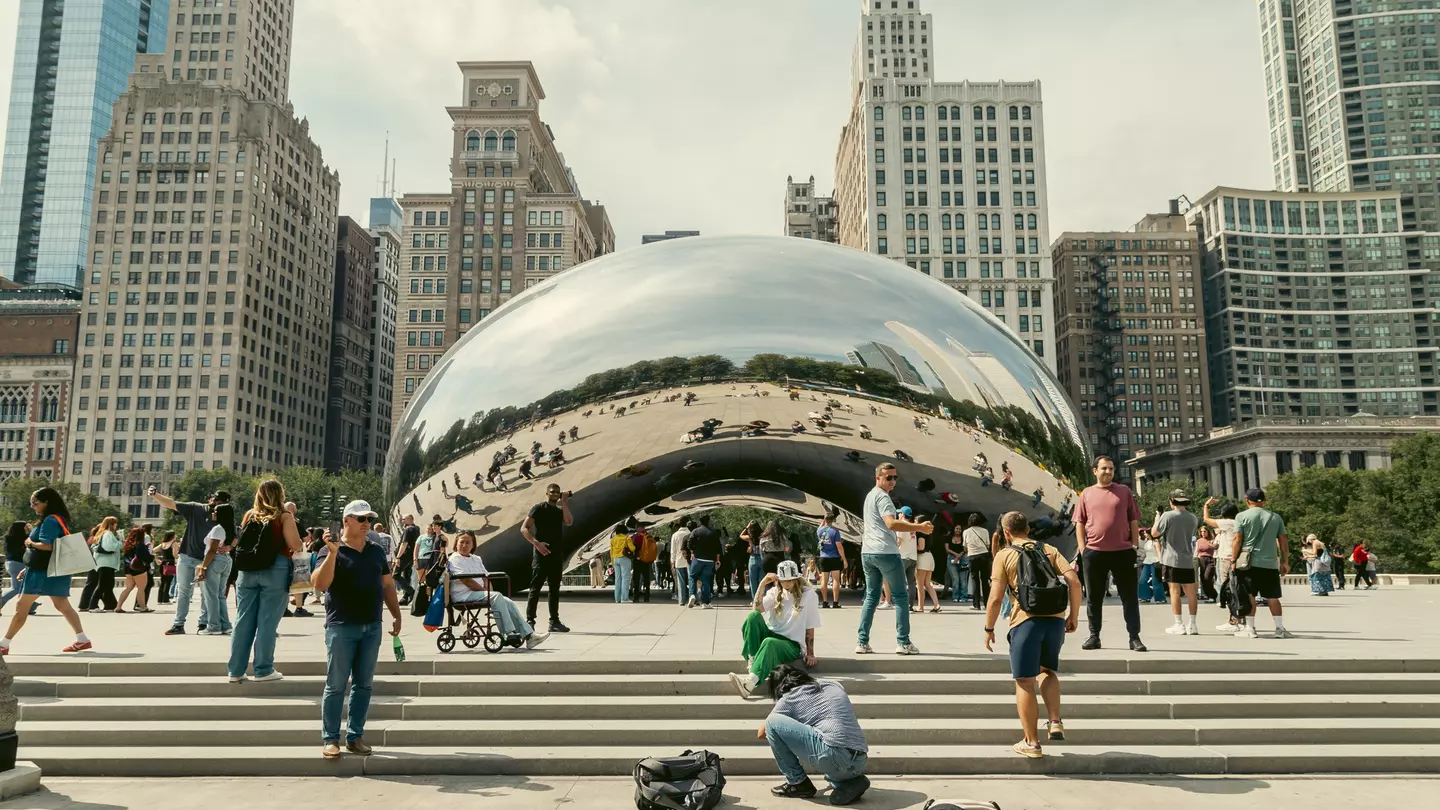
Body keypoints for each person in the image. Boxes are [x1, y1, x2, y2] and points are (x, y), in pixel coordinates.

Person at [984, 511, 1082, 759]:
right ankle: (1055, 720)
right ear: (1028, 529)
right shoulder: (1049, 550)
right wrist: (1073, 615)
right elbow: (1074, 582)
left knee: (1025, 681)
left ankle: (1032, 742)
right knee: (1047, 670)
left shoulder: (1004, 555)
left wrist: (989, 628)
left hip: (1025, 622)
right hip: (1055, 621)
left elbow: (995, 599)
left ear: (1006, 532)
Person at [312, 500, 403, 759]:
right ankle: (331, 739)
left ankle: (355, 736)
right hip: (341, 626)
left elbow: (387, 585)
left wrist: (396, 614)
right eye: (361, 519)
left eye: (368, 519)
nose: (366, 524)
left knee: (363, 685)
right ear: (346, 521)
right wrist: (331, 553)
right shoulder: (331, 549)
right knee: (336, 685)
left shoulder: (375, 550)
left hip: (372, 625)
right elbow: (320, 584)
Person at [227, 479, 304, 683]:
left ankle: (235, 671)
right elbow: (296, 545)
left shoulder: (249, 516)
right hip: (275, 568)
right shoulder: (284, 516)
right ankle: (263, 669)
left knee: (243, 620)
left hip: (247, 570)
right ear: (281, 495)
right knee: (267, 621)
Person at [760, 665, 870, 804]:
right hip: (860, 758)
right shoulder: (833, 684)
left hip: (835, 756)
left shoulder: (789, 698)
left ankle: (797, 783)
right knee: (832, 761)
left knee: (772, 723)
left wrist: (781, 708)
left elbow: (762, 733)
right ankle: (848, 783)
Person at [0, 487, 92, 654]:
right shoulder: (59, 519)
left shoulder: (49, 520)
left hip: (42, 571)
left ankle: (4, 644)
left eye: (35, 503)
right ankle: (82, 639)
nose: (32, 506)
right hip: (55, 569)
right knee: (62, 604)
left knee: (22, 606)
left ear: (46, 502)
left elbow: (48, 545)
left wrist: (30, 542)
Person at [855, 462, 931, 656]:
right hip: (886, 552)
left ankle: (862, 642)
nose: (892, 481)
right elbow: (891, 523)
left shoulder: (870, 496)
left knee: (871, 597)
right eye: (888, 477)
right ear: (878, 478)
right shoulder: (883, 498)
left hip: (868, 552)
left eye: (895, 477)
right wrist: (919, 527)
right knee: (900, 597)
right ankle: (903, 642)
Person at [1073, 456, 1146, 652]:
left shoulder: (1124, 491)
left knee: (1129, 597)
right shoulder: (1086, 494)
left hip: (1123, 552)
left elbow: (1133, 519)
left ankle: (1134, 637)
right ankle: (1094, 636)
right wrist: (1082, 548)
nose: (1108, 472)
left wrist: (1134, 546)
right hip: (1094, 553)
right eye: (1104, 468)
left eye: (1111, 469)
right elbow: (1079, 522)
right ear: (1095, 471)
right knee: (1094, 598)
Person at [730, 561, 822, 699]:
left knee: (769, 642)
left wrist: (810, 653)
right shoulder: (775, 592)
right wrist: (762, 583)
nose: (787, 584)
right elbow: (757, 609)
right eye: (784, 581)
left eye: (790, 580)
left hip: (791, 645)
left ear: (797, 578)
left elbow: (810, 626)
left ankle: (749, 685)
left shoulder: (809, 595)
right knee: (753, 616)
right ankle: (754, 661)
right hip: (772, 636)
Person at [447, 531, 545, 648]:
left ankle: (529, 636)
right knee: (496, 596)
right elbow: (466, 580)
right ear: (456, 544)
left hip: (477, 592)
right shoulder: (454, 558)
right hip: (463, 595)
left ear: (473, 545)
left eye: (468, 542)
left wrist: (490, 591)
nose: (464, 545)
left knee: (506, 600)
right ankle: (508, 633)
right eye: (461, 542)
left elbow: (486, 578)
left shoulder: (476, 559)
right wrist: (487, 593)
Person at [150, 486, 226, 636]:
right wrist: (155, 494)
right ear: (211, 499)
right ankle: (179, 624)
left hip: (206, 558)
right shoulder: (196, 509)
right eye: (214, 500)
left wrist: (229, 546)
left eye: (220, 503)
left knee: (206, 592)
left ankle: (204, 622)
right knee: (183, 590)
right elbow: (171, 503)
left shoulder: (224, 517)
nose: (215, 505)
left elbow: (235, 535)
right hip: (187, 556)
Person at [1231, 488, 1291, 639]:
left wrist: (1233, 560)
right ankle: (1279, 628)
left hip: (1249, 563)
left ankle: (1250, 628)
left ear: (1247, 500)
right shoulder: (1275, 517)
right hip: (1270, 563)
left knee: (1250, 595)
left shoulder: (1241, 516)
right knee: (1272, 596)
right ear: (1264, 501)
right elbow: (1283, 541)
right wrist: (1284, 562)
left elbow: (1237, 539)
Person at [521, 483, 573, 633]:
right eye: (552, 492)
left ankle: (554, 621)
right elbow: (524, 528)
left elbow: (569, 522)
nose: (555, 494)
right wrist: (537, 544)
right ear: (547, 493)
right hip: (540, 553)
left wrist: (564, 502)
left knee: (554, 588)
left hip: (556, 554)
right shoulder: (538, 508)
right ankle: (530, 620)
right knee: (535, 588)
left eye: (557, 492)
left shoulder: (559, 511)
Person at [1151, 490, 1200, 636]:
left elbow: (1154, 533)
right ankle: (1193, 624)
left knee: (1174, 591)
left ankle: (1179, 624)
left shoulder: (1168, 515)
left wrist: (1157, 518)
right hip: (1187, 558)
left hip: (1171, 558)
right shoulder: (1193, 518)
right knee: (1191, 592)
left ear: (1172, 501)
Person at [195, 501, 237, 635]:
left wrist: (203, 567)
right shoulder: (232, 528)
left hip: (215, 561)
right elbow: (236, 540)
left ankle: (214, 625)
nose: (213, 513)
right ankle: (225, 624)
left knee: (211, 595)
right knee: (220, 595)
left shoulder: (218, 529)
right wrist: (230, 547)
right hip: (227, 560)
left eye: (216, 512)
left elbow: (212, 550)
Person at [1202, 498, 1243, 632]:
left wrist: (1207, 505)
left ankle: (1233, 620)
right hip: (1238, 558)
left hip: (1227, 558)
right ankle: (1240, 619)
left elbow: (1207, 520)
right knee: (1238, 588)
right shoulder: (1239, 521)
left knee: (1228, 589)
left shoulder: (1227, 523)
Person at [79, 516, 121, 613]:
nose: (116, 526)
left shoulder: (99, 535)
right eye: (115, 524)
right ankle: (92, 605)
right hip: (106, 563)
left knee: (107, 585)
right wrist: (120, 544)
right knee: (101, 585)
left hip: (100, 562)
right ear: (111, 524)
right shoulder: (108, 534)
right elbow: (109, 547)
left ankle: (110, 605)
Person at [113, 527, 154, 613]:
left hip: (128, 569)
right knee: (141, 588)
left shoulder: (127, 545)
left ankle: (118, 606)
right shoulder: (141, 545)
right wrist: (149, 551)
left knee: (128, 588)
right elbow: (147, 558)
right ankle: (142, 607)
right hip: (139, 569)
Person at [685, 515, 722, 609]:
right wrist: (717, 560)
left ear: (700, 522)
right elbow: (718, 548)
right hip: (709, 560)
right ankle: (705, 603)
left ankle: (692, 595)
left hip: (698, 558)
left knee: (693, 577)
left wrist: (693, 551)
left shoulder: (696, 531)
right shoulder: (713, 533)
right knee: (706, 580)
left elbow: (689, 542)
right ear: (708, 521)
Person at [1, 521, 36, 615]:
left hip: (9, 563)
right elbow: (34, 539)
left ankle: (30, 607)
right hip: (18, 564)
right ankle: (1, 602)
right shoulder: (22, 538)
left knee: (24, 586)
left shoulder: (9, 537)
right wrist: (32, 530)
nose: (26, 528)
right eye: (25, 526)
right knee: (16, 588)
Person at [816, 512, 847, 608]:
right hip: (834, 558)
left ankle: (825, 601)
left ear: (825, 519)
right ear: (833, 520)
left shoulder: (819, 531)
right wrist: (844, 559)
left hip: (823, 557)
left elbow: (821, 525)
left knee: (824, 580)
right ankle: (835, 602)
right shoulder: (835, 531)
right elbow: (839, 546)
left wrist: (824, 519)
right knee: (835, 580)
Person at [961, 513, 991, 611]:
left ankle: (976, 604)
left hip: (972, 556)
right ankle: (987, 603)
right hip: (984, 556)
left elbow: (965, 546)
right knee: (985, 580)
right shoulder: (985, 531)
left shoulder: (966, 532)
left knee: (974, 579)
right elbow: (988, 544)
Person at [914, 520, 941, 613]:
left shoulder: (921, 534)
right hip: (929, 557)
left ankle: (920, 607)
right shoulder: (929, 533)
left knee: (920, 584)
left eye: (916, 521)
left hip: (922, 559)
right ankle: (936, 604)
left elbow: (921, 547)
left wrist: (912, 547)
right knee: (927, 584)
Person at [393, 515, 418, 606]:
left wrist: (398, 557)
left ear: (410, 519)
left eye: (404, 519)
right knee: (406, 575)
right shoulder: (416, 529)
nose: (402, 521)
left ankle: (411, 592)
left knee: (396, 575)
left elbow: (404, 544)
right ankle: (405, 598)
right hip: (411, 556)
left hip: (405, 555)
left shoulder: (408, 530)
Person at [609, 523, 635, 604]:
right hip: (624, 559)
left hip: (615, 559)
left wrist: (613, 563)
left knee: (617, 579)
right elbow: (632, 548)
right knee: (626, 578)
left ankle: (617, 598)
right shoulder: (627, 538)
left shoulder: (613, 539)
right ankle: (624, 598)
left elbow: (611, 552)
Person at [672, 520, 694, 606]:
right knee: (691, 579)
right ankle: (691, 597)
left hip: (678, 560)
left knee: (681, 581)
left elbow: (673, 551)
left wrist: (672, 561)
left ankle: (681, 600)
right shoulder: (692, 533)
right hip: (690, 560)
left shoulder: (675, 535)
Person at [1136, 532, 1163, 604]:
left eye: (1146, 533)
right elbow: (1145, 553)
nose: (1144, 534)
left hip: (1155, 562)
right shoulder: (1147, 542)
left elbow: (1159, 552)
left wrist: (1161, 563)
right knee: (1142, 580)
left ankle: (1160, 598)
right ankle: (1144, 597)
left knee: (1156, 581)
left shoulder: (1156, 542)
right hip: (1147, 561)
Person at [945, 527, 970, 605]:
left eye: (959, 529)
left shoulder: (964, 538)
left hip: (963, 559)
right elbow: (947, 549)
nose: (958, 530)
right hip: (951, 558)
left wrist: (959, 556)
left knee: (963, 579)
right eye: (956, 528)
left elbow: (965, 549)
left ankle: (964, 597)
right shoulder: (948, 537)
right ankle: (955, 596)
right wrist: (956, 555)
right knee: (955, 578)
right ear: (954, 529)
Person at [741, 520, 765, 599]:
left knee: (753, 581)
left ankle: (755, 599)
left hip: (753, 558)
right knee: (762, 580)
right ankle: (761, 598)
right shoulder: (763, 536)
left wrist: (746, 527)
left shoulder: (750, 537)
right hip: (762, 558)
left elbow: (741, 535)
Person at [1196, 524, 1218, 603]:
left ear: (1208, 532)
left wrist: (1210, 544)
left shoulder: (1212, 539)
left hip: (1210, 560)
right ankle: (1209, 596)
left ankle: (1213, 595)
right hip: (1201, 559)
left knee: (1207, 577)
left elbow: (1216, 547)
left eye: (1204, 531)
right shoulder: (1199, 541)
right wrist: (1194, 558)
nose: (1203, 533)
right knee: (1203, 579)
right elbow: (1196, 551)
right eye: (1201, 532)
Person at [155, 532, 178, 605]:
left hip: (163, 564)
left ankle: (160, 599)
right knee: (168, 582)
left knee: (162, 581)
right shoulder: (174, 544)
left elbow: (153, 550)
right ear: (173, 536)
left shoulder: (163, 544)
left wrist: (156, 559)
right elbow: (175, 555)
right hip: (170, 563)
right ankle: (165, 599)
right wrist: (178, 556)